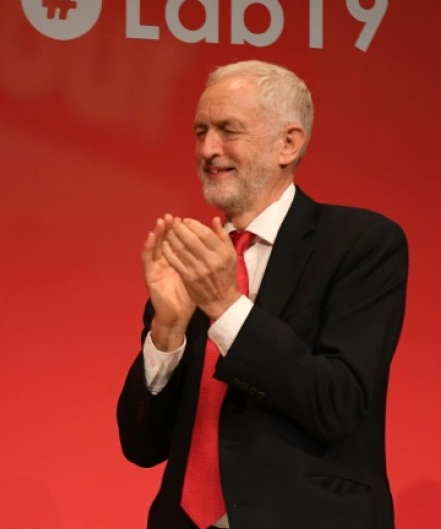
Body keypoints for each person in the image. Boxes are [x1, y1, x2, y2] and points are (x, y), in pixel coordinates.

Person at [117, 60, 407, 529]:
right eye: (200, 132)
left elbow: (338, 402)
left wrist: (226, 307)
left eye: (228, 130)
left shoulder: (361, 244)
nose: (208, 149)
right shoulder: (198, 260)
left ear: (288, 143)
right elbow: (141, 445)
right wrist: (166, 333)